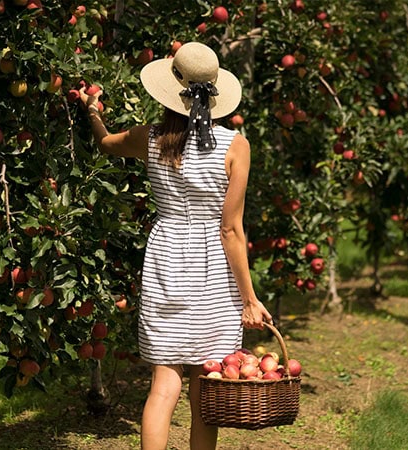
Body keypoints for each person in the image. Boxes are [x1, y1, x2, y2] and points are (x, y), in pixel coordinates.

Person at [79, 41, 273, 450]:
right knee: (207, 387)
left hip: (166, 259)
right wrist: (249, 298)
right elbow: (231, 231)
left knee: (163, 384)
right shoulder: (235, 146)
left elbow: (106, 143)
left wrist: (92, 110)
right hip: (213, 273)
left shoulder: (150, 138)